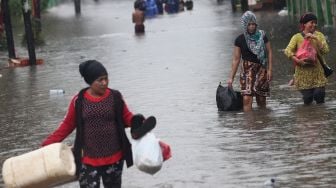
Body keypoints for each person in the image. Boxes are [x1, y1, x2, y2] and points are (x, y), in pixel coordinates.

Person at [41, 60, 156, 188]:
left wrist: (136, 121)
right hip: (87, 160)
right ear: (90, 82)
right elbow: (67, 126)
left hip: (114, 159)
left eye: (106, 79)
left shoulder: (115, 97)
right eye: (100, 80)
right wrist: (47, 145)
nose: (104, 83)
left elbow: (126, 117)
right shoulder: (79, 101)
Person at [227, 11, 273, 112]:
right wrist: (231, 78)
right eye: (249, 24)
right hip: (247, 70)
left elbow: (269, 52)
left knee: (261, 98)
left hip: (262, 69)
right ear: (245, 25)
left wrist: (269, 69)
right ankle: (249, 123)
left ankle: (262, 120)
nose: (252, 27)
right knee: (247, 98)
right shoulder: (239, 39)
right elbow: (236, 59)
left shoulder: (262, 36)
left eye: (253, 24)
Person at [284, 13, 329, 105]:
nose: (314, 25)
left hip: (318, 73)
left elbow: (325, 50)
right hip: (302, 74)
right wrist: (297, 60)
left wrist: (315, 38)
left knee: (319, 95)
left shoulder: (319, 35)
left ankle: (321, 117)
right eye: (311, 22)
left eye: (315, 23)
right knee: (307, 99)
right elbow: (287, 50)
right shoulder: (297, 37)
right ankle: (308, 117)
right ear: (304, 24)